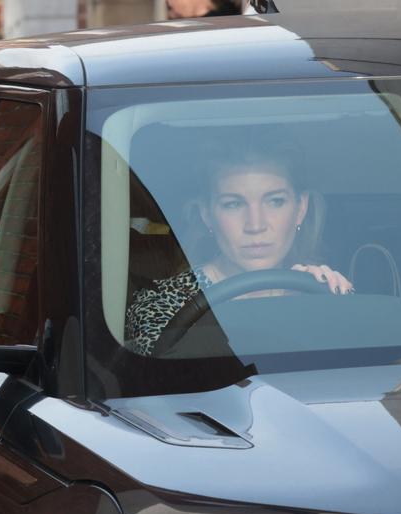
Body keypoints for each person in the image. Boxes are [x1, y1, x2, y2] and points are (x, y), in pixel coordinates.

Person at [125, 141, 353, 356]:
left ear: (300, 208)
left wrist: (328, 308)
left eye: (275, 201)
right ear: (207, 215)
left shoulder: (319, 292)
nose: (256, 225)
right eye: (233, 204)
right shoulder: (163, 304)